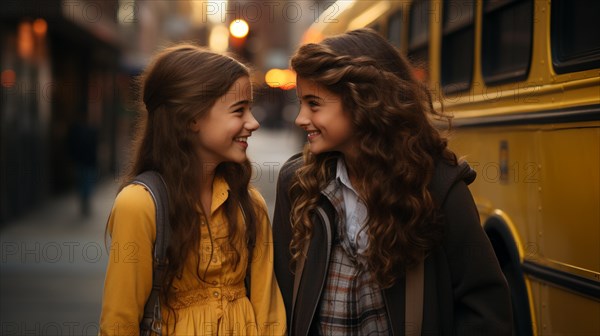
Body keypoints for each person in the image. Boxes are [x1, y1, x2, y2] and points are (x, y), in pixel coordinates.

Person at [273, 28, 513, 335]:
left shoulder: (436, 187)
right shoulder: (296, 184)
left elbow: (485, 308)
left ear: (364, 100)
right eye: (301, 103)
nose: (300, 118)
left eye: (314, 104)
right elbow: (280, 298)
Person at [100, 44, 286, 335]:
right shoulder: (139, 204)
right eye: (239, 110)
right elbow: (119, 323)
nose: (253, 122)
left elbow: (269, 313)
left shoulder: (250, 204)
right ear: (191, 118)